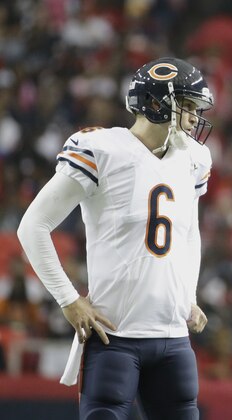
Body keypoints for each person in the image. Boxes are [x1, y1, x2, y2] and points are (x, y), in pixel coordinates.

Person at [17, 57, 214, 420]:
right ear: (157, 104)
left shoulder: (194, 158)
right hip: (115, 338)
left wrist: (189, 295)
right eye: (186, 106)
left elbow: (189, 234)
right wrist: (68, 299)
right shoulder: (103, 149)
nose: (193, 118)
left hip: (172, 336)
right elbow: (33, 226)